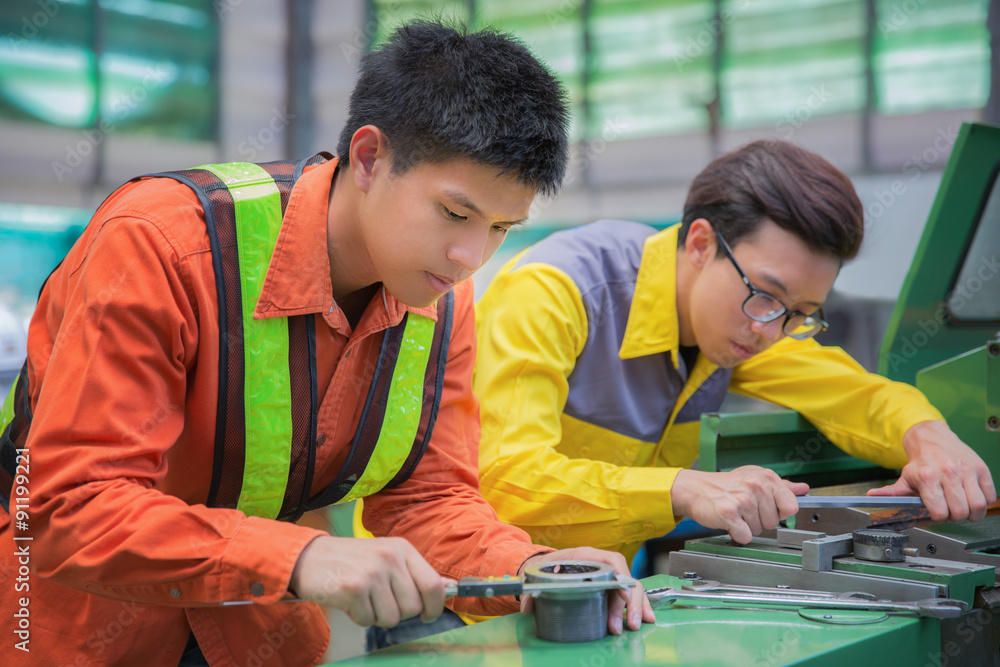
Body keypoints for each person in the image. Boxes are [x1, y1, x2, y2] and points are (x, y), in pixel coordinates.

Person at [0, 21, 652, 667]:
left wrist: (532, 568)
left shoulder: (440, 298)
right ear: (370, 157)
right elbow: (69, 507)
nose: (469, 256)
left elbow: (426, 498)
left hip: (254, 627)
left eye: (501, 227)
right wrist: (305, 554)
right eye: (455, 213)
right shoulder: (162, 244)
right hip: (64, 623)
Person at [473, 139, 997, 562]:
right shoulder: (554, 293)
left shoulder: (746, 321)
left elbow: (853, 394)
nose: (771, 332)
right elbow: (506, 478)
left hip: (596, 593)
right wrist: (682, 489)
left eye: (800, 313)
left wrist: (928, 438)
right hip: (465, 603)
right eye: (767, 296)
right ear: (700, 244)